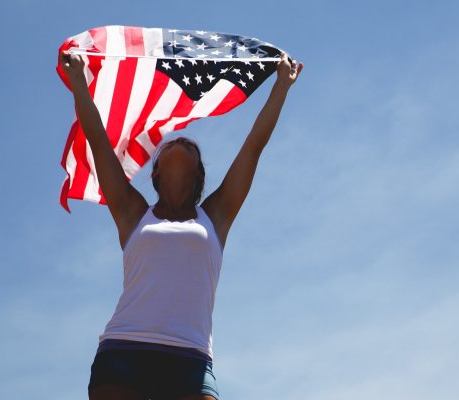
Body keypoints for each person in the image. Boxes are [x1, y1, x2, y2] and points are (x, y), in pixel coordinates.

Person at [60, 49, 303, 400]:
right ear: (155, 173)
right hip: (124, 350)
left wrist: (282, 85)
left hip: (190, 357)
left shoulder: (216, 215)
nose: (182, 140)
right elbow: (99, 144)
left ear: (199, 173)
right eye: (171, 143)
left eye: (190, 145)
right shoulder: (132, 212)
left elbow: (253, 148)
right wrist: (80, 82)